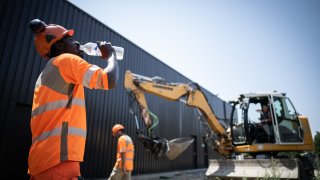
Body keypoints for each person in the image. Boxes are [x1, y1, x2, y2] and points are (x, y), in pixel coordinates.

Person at [28, 19, 119, 179]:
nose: (77, 43)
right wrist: (111, 55)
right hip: (58, 163)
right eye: (70, 39)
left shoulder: (45, 75)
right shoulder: (65, 60)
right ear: (60, 46)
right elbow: (109, 80)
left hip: (42, 164)